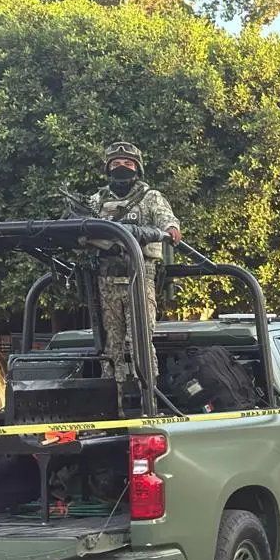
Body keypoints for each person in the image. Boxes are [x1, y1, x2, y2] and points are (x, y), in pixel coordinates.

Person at [86, 141, 182, 385]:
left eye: (128, 164)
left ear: (137, 168)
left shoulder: (150, 197)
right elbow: (81, 228)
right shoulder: (96, 201)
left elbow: (167, 221)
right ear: (108, 169)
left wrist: (171, 229)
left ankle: (148, 397)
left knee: (139, 341)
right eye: (116, 164)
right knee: (111, 346)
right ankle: (111, 403)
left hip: (139, 277)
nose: (122, 168)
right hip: (106, 280)